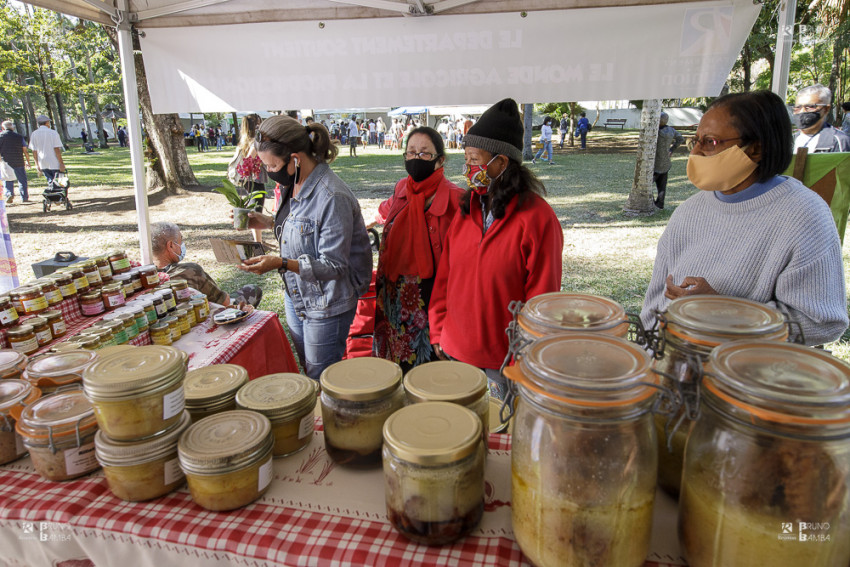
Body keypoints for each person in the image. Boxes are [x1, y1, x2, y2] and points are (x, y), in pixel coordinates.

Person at [640, 90, 848, 346]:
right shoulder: (689, 212)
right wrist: (648, 353)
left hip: (743, 377)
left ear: (756, 148)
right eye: (695, 141)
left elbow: (821, 323)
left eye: (710, 142)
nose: (695, 152)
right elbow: (655, 301)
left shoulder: (804, 215)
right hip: (675, 366)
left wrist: (725, 310)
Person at [428, 98, 564, 400]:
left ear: (501, 163)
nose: (468, 169)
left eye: (475, 160)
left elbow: (541, 300)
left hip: (502, 364)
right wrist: (438, 330)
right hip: (454, 351)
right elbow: (445, 280)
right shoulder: (466, 210)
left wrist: (521, 360)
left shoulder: (538, 219)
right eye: (466, 160)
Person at [238, 115, 372, 380]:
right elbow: (299, 225)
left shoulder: (333, 197)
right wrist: (263, 221)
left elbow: (334, 266)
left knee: (321, 378)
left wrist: (281, 263)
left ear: (295, 158)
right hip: (297, 295)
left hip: (326, 303)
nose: (270, 172)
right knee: (308, 368)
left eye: (273, 165)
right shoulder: (293, 182)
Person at [370, 126, 464, 371]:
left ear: (440, 159)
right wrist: (369, 220)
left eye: (424, 154)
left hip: (429, 297)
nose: (416, 158)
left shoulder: (457, 199)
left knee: (428, 369)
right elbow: (387, 210)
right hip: (391, 294)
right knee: (392, 367)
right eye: (411, 152)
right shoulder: (402, 188)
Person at [150, 221, 261, 308]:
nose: (182, 245)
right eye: (180, 240)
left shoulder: (145, 278)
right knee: (252, 290)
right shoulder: (190, 271)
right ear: (171, 246)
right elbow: (224, 302)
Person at [233, 113, 268, 243]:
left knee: (255, 209)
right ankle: (257, 242)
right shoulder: (255, 141)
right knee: (256, 211)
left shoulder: (244, 140)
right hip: (254, 179)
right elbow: (249, 159)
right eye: (259, 123)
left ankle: (258, 240)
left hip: (249, 179)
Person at [792, 84, 850, 153]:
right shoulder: (789, 140)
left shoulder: (839, 141)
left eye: (810, 107)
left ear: (826, 109)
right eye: (798, 107)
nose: (802, 111)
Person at [653, 112, 685, 209]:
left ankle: (652, 202)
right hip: (666, 162)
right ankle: (660, 204)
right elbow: (680, 139)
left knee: (647, 186)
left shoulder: (655, 132)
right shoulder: (671, 130)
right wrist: (671, 149)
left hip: (655, 163)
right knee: (662, 186)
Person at [29, 115, 65, 196]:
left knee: (50, 181)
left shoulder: (34, 134)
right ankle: (58, 196)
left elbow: (34, 151)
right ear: (47, 123)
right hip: (54, 161)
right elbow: (57, 149)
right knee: (59, 180)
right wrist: (61, 163)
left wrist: (36, 164)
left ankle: (53, 196)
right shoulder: (53, 133)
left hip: (43, 162)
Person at [0, 121, 32, 204]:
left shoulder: (1, 136)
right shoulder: (19, 137)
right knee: (22, 180)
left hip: (6, 161)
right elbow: (25, 150)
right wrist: (28, 161)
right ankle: (24, 197)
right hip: (19, 161)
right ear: (12, 128)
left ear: (3, 128)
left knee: (7, 179)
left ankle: (9, 194)